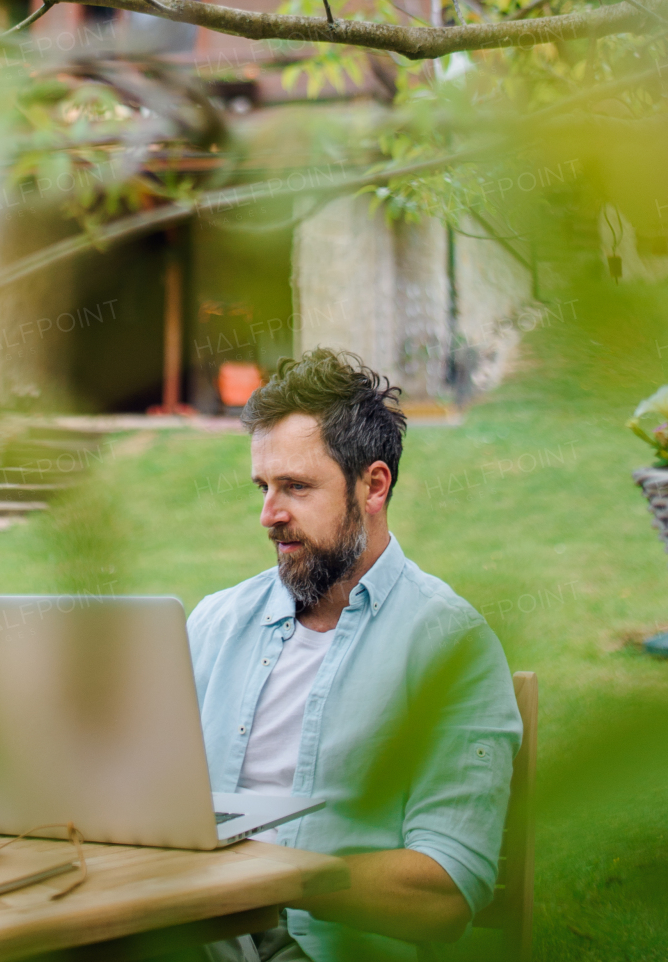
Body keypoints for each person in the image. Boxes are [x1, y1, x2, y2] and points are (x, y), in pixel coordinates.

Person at [188, 348, 521, 960]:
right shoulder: (213, 623)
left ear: (373, 484)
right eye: (264, 487)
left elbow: (445, 891)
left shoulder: (449, 645)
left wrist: (263, 879)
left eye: (296, 486)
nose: (269, 515)